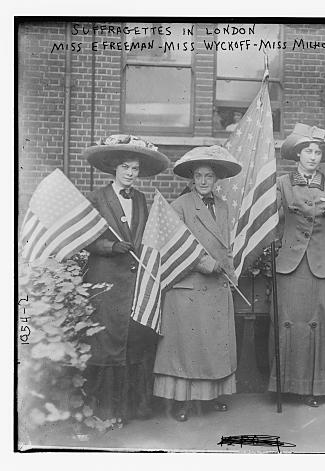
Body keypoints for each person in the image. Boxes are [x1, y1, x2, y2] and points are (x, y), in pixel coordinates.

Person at [82, 134, 170, 425]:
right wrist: (110, 247)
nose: (130, 173)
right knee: (108, 343)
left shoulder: (142, 200)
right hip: (106, 283)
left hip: (135, 286)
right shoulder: (95, 198)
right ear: (113, 169)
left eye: (134, 168)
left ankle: (134, 408)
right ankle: (106, 410)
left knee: (133, 341)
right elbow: (86, 239)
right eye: (125, 167)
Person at [153, 146, 242, 422]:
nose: (204, 181)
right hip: (189, 287)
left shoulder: (224, 207)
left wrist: (228, 271)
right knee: (188, 349)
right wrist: (205, 264)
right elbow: (172, 246)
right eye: (199, 176)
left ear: (216, 180)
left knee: (213, 346)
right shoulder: (178, 206)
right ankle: (183, 402)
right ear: (192, 178)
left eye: (209, 176)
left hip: (217, 286)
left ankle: (212, 396)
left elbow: (226, 245)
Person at [268, 123, 325, 407]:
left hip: (322, 265)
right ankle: (289, 385)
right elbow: (271, 222)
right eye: (308, 151)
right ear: (298, 154)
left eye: (318, 152)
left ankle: (319, 387)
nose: (313, 157)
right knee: (291, 324)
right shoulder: (282, 183)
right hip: (290, 266)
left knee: (323, 323)